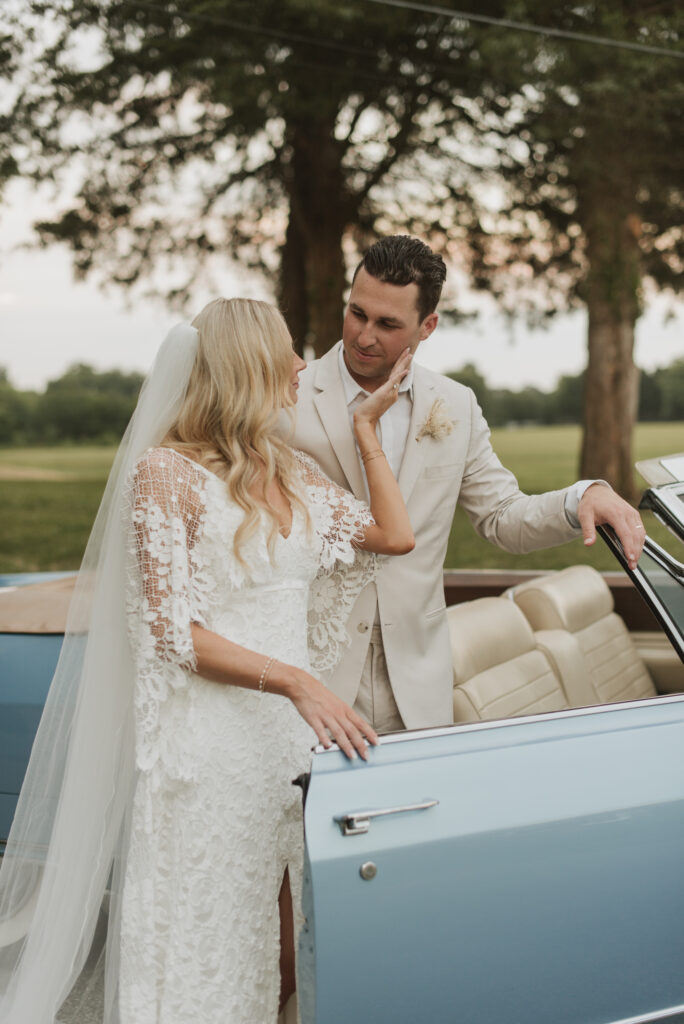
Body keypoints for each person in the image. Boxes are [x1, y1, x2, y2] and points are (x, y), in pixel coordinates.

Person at [0, 297, 415, 1024]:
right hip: (212, 748)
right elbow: (171, 633)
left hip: (284, 743)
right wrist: (294, 678)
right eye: (287, 351)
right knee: (205, 939)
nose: (299, 365)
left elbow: (392, 534)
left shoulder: (286, 470)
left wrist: (364, 431)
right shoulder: (164, 475)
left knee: (279, 941)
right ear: (246, 365)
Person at [291, 234, 646, 732]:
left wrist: (581, 496)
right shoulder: (288, 394)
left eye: (388, 323)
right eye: (357, 314)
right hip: (308, 678)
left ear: (428, 325)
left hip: (416, 689)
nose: (364, 336)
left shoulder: (454, 404)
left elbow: (503, 519)